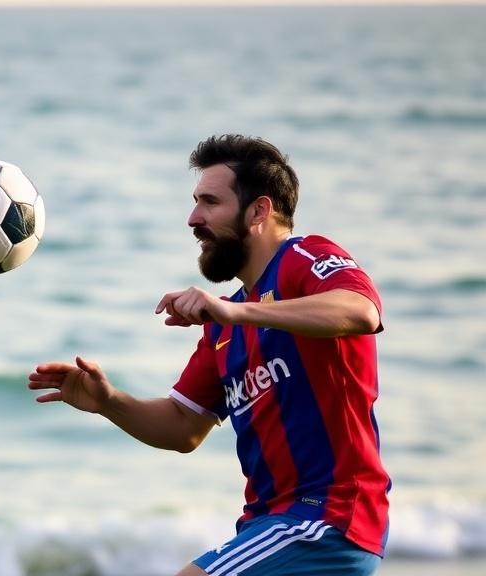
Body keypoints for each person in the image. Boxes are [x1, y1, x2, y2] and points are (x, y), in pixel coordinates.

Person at [28, 134, 389, 576]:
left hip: (324, 520)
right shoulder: (224, 326)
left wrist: (235, 311)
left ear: (258, 211)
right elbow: (183, 428)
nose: (193, 218)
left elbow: (361, 310)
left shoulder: (304, 257)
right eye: (196, 202)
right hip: (268, 526)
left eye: (209, 202)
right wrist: (109, 402)